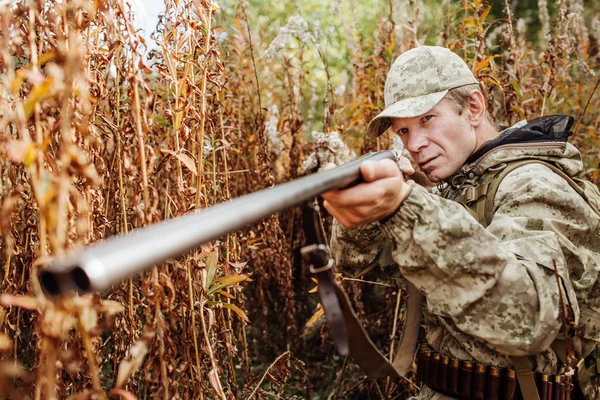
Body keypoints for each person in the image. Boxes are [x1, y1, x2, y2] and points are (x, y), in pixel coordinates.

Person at [321, 46, 600, 400]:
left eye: (427, 119)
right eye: (403, 131)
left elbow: (529, 319)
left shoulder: (534, 183)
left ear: (473, 108)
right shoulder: (454, 188)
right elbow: (360, 262)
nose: (416, 144)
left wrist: (407, 208)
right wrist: (366, 206)